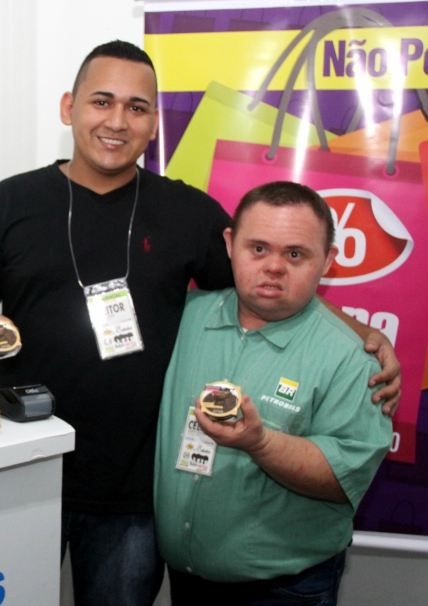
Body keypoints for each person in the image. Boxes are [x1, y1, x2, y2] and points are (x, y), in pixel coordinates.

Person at [0, 41, 399, 606]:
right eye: (101, 101)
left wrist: (363, 335)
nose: (117, 121)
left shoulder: (188, 212)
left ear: (154, 123)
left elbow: (274, 280)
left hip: (134, 497)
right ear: (68, 107)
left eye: (136, 107)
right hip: (23, 472)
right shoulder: (10, 203)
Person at [154, 181, 392, 605]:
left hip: (285, 590)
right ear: (231, 244)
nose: (274, 267)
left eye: (295, 254)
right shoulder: (183, 316)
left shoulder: (354, 360)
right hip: (184, 580)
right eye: (259, 248)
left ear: (328, 261)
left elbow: (344, 477)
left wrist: (259, 443)